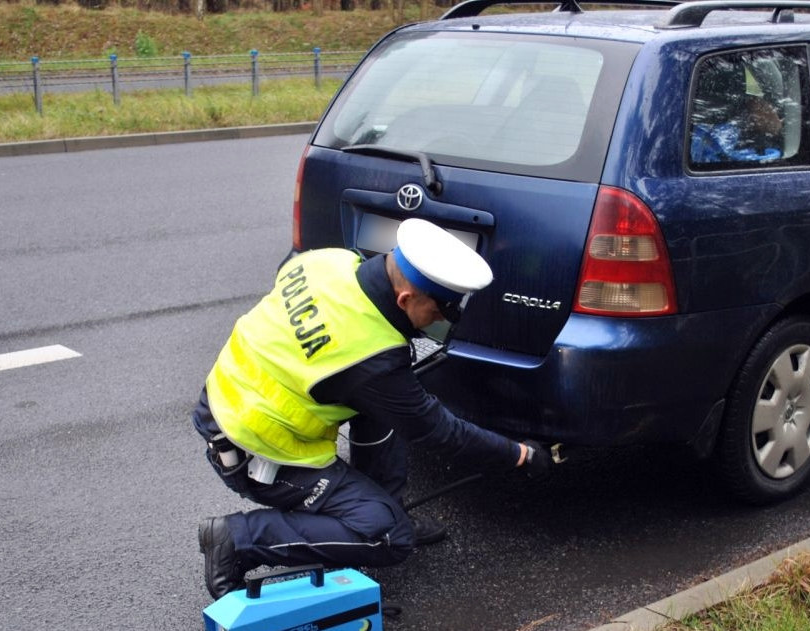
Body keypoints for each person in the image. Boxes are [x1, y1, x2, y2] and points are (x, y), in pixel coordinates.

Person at [191, 218, 554, 599]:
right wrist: (519, 455)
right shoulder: (369, 357)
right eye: (438, 311)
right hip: (254, 448)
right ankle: (238, 540)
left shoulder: (330, 261)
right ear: (405, 299)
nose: (440, 321)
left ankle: (384, 506)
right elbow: (439, 430)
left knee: (387, 409)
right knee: (388, 537)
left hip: (230, 396)